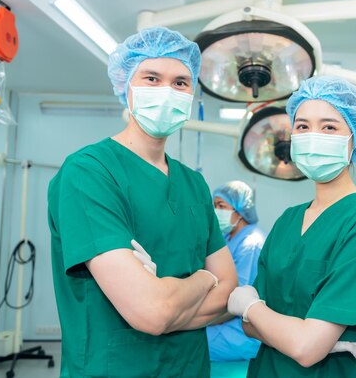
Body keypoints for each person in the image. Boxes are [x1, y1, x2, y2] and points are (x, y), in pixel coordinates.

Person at [48, 27, 237, 378]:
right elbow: (152, 312)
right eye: (152, 78)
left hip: (191, 368)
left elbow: (229, 291)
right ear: (126, 86)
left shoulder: (193, 183)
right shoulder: (89, 172)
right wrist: (204, 278)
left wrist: (167, 303)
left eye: (180, 82)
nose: (167, 91)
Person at [227, 75, 356, 377]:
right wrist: (306, 336)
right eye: (303, 126)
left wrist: (254, 308)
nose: (312, 135)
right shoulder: (287, 221)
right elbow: (248, 328)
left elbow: (305, 348)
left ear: (354, 138)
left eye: (329, 127)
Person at [207, 181, 265, 363]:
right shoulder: (227, 237)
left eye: (221, 206)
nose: (216, 211)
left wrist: (199, 320)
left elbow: (236, 301)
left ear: (240, 209)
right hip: (222, 318)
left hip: (240, 331)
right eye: (214, 206)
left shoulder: (251, 244)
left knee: (189, 343)